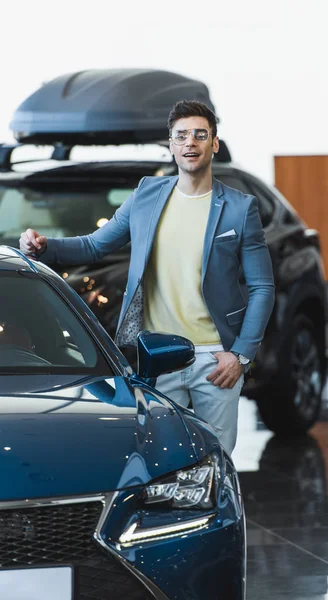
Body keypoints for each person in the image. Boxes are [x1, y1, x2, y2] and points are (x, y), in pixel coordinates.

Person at [19, 100, 275, 454]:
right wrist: (44, 248)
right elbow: (95, 247)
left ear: (214, 144)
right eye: (181, 136)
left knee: (217, 462)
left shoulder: (239, 207)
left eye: (200, 135)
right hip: (158, 356)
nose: (190, 143)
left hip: (216, 360)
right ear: (170, 144)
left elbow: (262, 286)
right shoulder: (146, 195)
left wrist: (241, 355)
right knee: (160, 460)